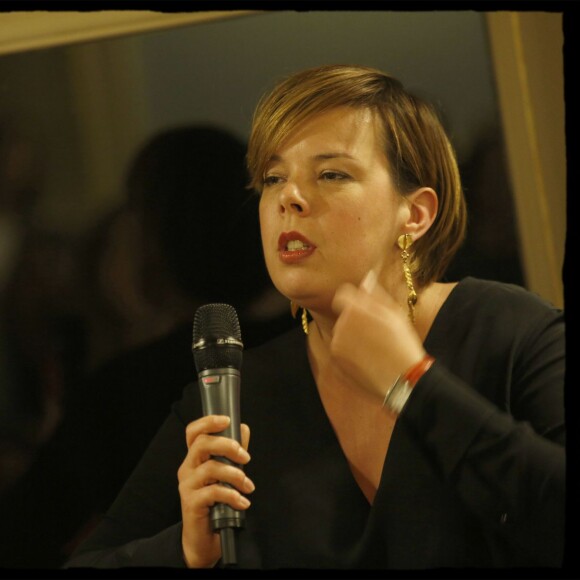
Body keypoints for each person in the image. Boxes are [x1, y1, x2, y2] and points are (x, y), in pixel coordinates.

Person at [65, 64, 565, 570]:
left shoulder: (509, 330)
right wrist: (187, 549)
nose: (290, 198)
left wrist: (412, 384)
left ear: (414, 214)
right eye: (273, 178)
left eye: (331, 174)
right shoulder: (239, 395)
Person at [0, 125, 291, 568]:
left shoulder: (125, 391)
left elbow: (22, 534)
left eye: (132, 215)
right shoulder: (316, 342)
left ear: (156, 243)